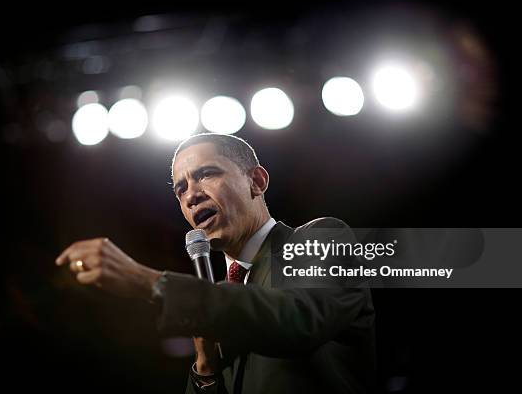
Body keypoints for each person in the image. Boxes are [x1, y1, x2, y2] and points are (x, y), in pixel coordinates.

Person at [55, 133, 376, 393]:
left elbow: (296, 320)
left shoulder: (323, 239)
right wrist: (205, 370)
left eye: (205, 174)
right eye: (180, 189)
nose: (191, 195)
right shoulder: (217, 300)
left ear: (257, 181)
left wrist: (150, 282)